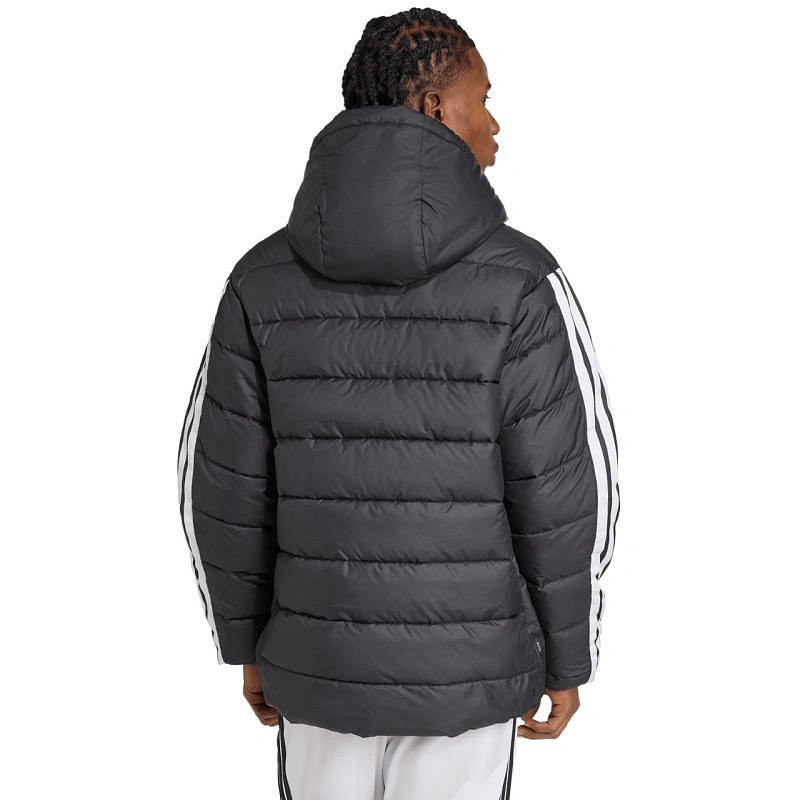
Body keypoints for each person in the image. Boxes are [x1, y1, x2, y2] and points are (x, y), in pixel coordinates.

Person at [177, 7, 620, 799]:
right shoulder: (524, 282)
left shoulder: (258, 281)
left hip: (316, 670)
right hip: (470, 677)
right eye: (484, 98)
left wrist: (244, 644)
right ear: (436, 107)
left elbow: (219, 488)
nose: (494, 123)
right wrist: (568, 654)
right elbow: (567, 489)